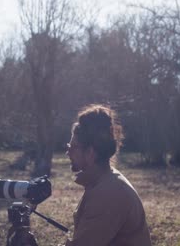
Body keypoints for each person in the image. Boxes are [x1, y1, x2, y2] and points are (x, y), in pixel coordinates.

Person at [64, 104, 152, 246]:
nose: (68, 152)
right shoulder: (104, 181)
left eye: (73, 147)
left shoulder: (109, 192)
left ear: (90, 153)